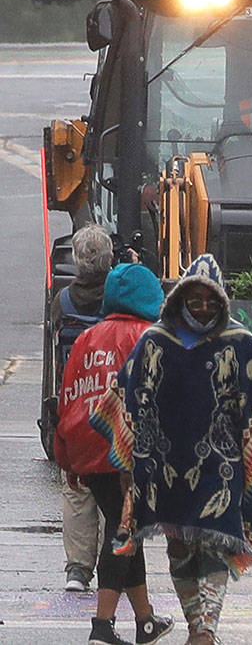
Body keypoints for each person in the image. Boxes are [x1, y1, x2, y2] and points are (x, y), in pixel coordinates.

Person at [91, 254, 252, 645]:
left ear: (222, 300)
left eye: (211, 300)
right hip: (164, 466)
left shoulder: (241, 342)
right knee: (179, 546)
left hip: (220, 464)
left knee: (215, 542)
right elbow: (127, 401)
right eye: (195, 299)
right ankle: (197, 624)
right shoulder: (154, 340)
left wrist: (250, 452)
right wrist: (130, 468)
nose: (204, 307)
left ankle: (205, 630)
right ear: (180, 298)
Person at [56, 262, 173, 645]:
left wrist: (65, 457)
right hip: (131, 454)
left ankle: (145, 620)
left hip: (88, 448)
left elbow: (67, 400)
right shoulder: (152, 339)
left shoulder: (87, 338)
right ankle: (102, 626)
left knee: (125, 529)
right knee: (124, 532)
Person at [54, 224, 114, 592]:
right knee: (116, 481)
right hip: (112, 404)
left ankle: (78, 568)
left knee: (77, 488)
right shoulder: (119, 299)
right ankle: (115, 555)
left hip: (76, 400)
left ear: (77, 261)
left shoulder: (61, 300)